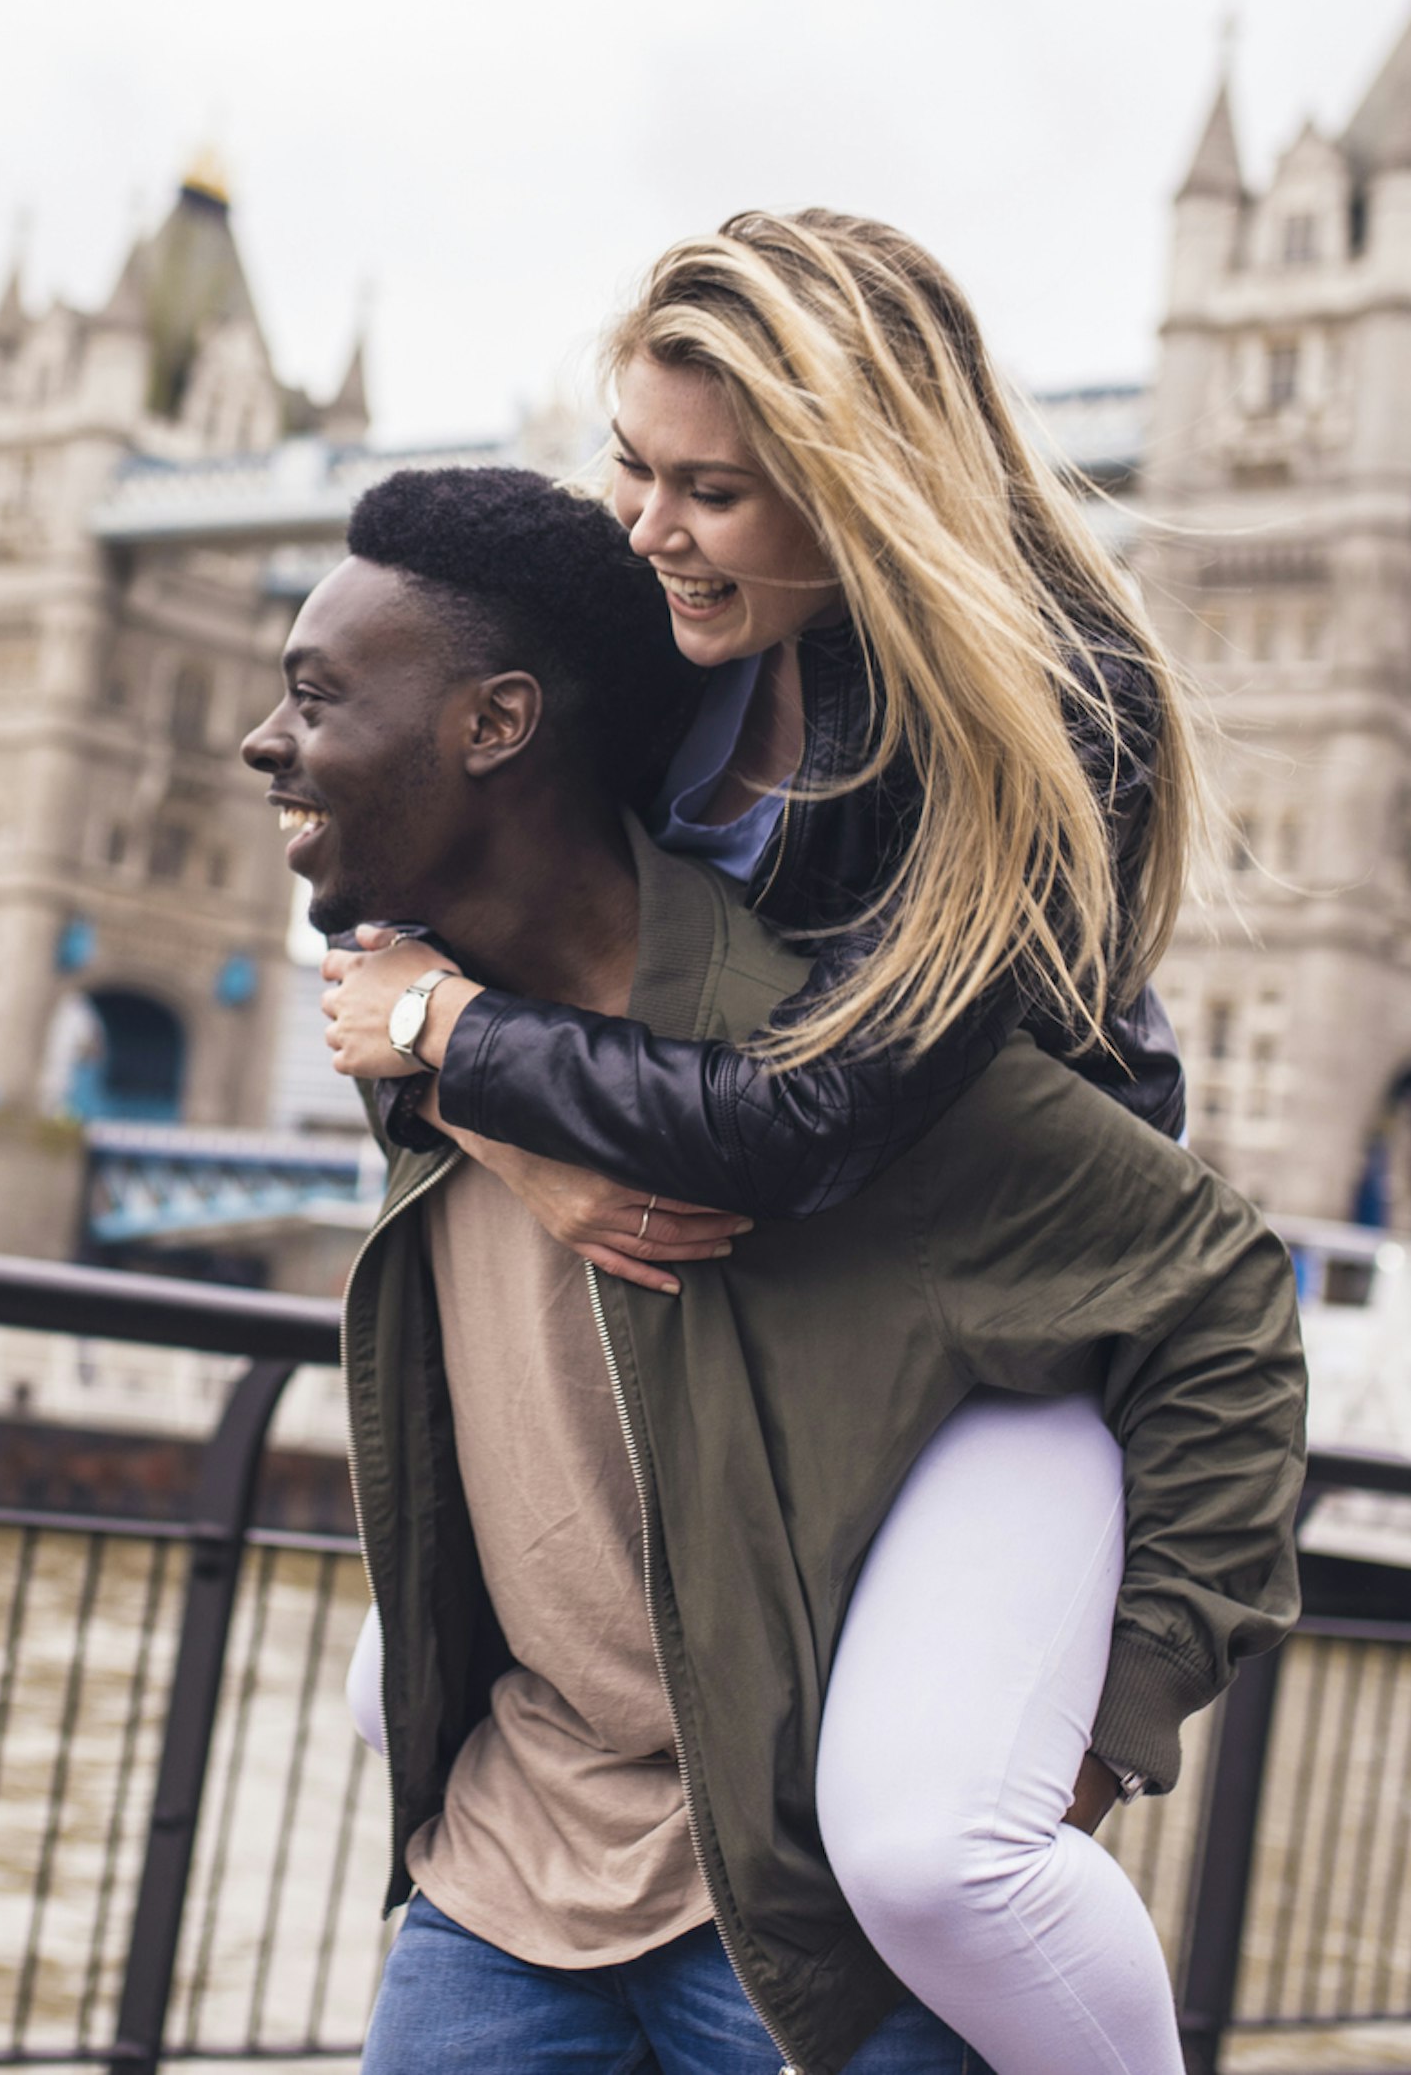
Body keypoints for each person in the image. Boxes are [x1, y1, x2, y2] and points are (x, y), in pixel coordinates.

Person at [319, 214, 1237, 2071]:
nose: (648, 526)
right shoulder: (675, 636)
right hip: (759, 1292)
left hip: (994, 1318)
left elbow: (801, 1126)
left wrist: (459, 1039)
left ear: (858, 484)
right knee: (382, 1684)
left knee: (927, 1847)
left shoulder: (1049, 710)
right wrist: (513, 1138)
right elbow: (400, 837)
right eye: (638, 467)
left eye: (713, 492)